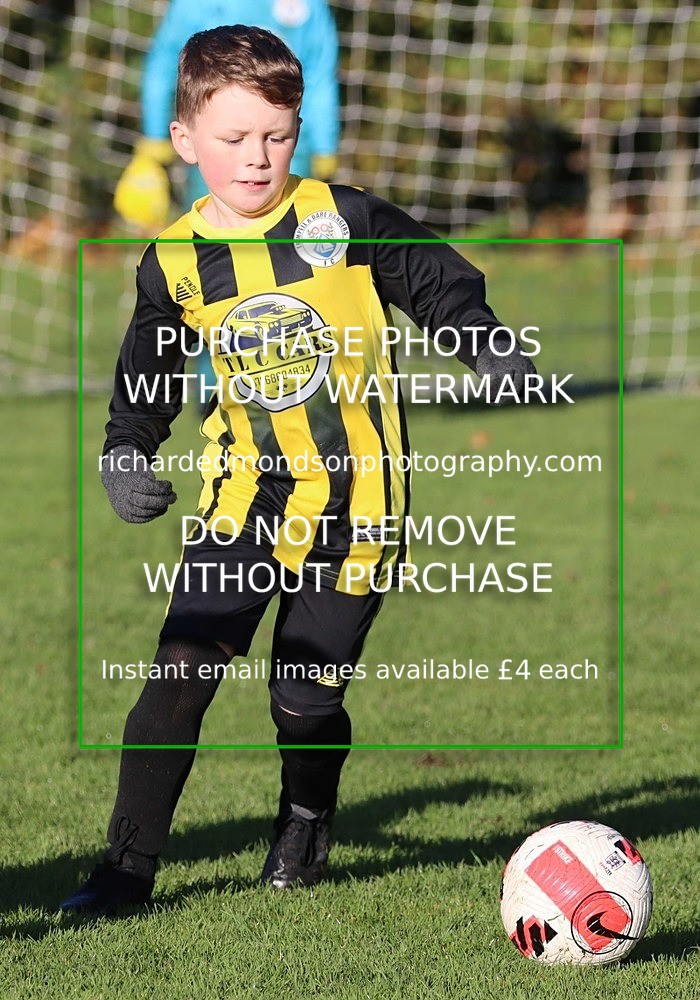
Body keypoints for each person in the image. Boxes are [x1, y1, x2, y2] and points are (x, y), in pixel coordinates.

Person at [61, 25, 535, 914]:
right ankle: (124, 871)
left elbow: (437, 281)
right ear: (184, 140)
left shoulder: (343, 219)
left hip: (359, 502)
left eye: (276, 136)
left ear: (298, 130)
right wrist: (126, 452)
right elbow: (147, 372)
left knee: (302, 700)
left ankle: (306, 818)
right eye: (235, 137)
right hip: (243, 497)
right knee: (178, 677)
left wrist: (486, 344)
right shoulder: (174, 260)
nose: (257, 157)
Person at [114, 0, 340, 231]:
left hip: (290, 153)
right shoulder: (194, 5)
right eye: (235, 139)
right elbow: (164, 64)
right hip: (222, 151)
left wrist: (324, 147)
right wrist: (154, 141)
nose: (256, 158)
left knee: (291, 240)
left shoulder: (309, 6)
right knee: (212, 235)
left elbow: (320, 75)